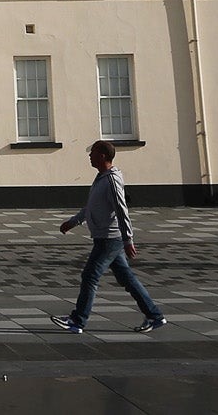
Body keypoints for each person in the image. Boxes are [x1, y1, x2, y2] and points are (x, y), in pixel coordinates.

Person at [52, 139, 167, 335]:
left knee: (90, 275)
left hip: (109, 239)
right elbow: (92, 207)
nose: (89, 155)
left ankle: (77, 320)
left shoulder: (112, 180)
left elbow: (122, 211)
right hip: (104, 237)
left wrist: (128, 239)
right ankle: (155, 316)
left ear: (102, 156)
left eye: (93, 152)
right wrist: (73, 222)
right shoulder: (101, 178)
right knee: (127, 278)